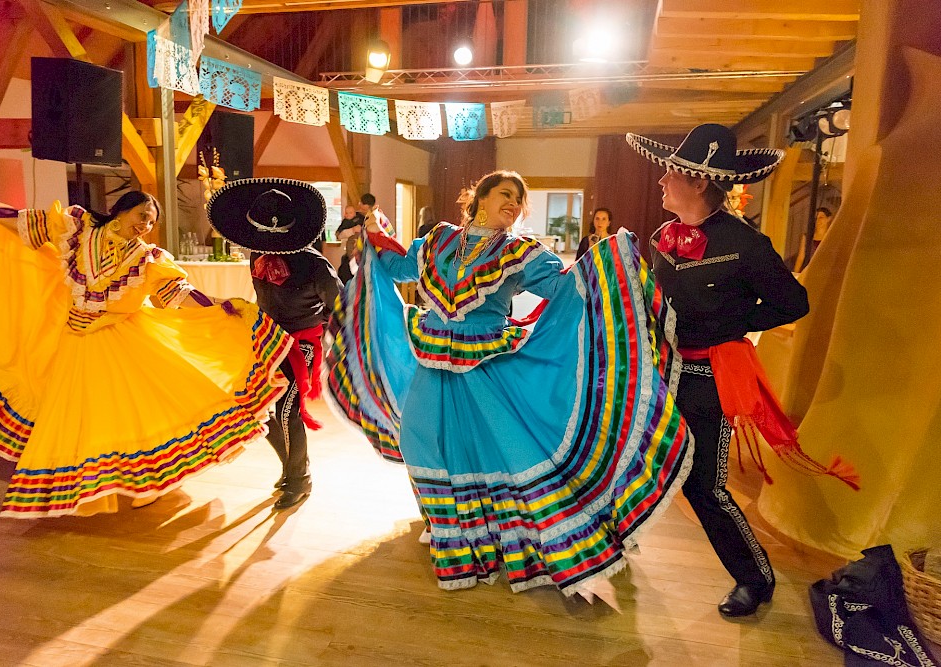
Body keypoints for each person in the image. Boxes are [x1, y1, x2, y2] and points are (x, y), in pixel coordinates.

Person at [325, 169, 693, 600]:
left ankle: (503, 538)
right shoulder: (440, 239)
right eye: (506, 194)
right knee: (421, 441)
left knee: (493, 452)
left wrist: (606, 266)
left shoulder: (519, 251)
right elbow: (400, 265)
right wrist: (377, 232)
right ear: (479, 197)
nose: (514, 204)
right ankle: (451, 529)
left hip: (486, 364)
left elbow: (561, 287)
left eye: (520, 200)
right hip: (433, 356)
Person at [0, 128, 292, 518]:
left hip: (122, 338)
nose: (146, 224)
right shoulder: (77, 229)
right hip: (75, 339)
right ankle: (94, 490)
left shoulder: (149, 258)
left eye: (151, 220)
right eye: (143, 215)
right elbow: (20, 223)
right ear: (123, 210)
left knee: (128, 412)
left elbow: (178, 292)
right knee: (84, 415)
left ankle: (141, 484)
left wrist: (222, 305)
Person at [627, 123, 857, 617]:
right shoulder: (662, 238)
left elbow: (793, 301)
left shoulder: (745, 243)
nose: (663, 180)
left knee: (704, 487)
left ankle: (755, 580)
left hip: (714, 380)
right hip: (664, 375)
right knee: (638, 462)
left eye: (672, 172)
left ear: (700, 181)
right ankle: (614, 550)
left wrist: (733, 324)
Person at [207, 178, 343, 510]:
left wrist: (337, 344)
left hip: (301, 343)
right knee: (260, 411)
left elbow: (340, 304)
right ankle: (294, 468)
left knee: (286, 411)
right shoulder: (258, 253)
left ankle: (299, 478)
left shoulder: (314, 264)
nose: (266, 243)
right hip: (265, 338)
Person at [793, 206, 834, 272]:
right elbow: (801, 257)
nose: (818, 221)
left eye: (821, 217)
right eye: (816, 218)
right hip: (808, 271)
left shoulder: (831, 237)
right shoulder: (807, 237)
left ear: (828, 219)